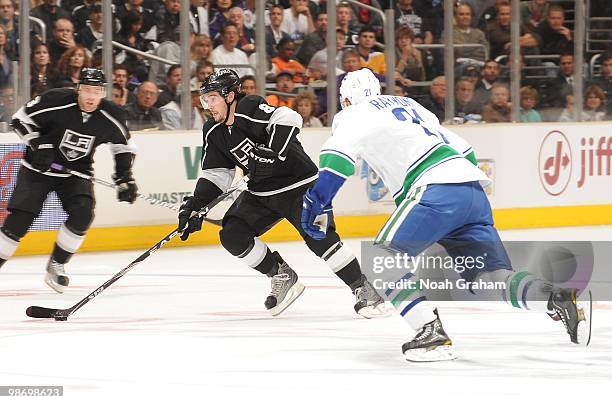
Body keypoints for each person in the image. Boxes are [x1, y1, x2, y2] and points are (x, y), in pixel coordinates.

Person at [301, 68, 591, 361]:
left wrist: (316, 201)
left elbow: (336, 160)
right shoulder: (411, 105)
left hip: (434, 189)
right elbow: (466, 151)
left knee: (381, 259)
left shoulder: (353, 114)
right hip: (471, 189)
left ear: (346, 100)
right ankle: (555, 298)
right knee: (488, 278)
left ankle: (430, 333)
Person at [178, 68, 386, 318]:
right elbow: (216, 174)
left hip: (299, 185)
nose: (207, 105)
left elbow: (289, 117)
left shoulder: (250, 107)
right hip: (261, 193)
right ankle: (281, 275)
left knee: (319, 238)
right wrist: (196, 206)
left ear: (230, 96)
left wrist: (272, 153)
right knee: (233, 234)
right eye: (205, 99)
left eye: (212, 98)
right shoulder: (213, 130)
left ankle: (364, 289)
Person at [0, 68, 138, 292]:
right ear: (78, 89)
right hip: (38, 169)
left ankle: (57, 265)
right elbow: (20, 119)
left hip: (75, 173)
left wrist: (124, 177)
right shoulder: (55, 100)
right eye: (87, 90)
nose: (91, 96)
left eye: (97, 91)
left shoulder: (112, 115)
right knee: (19, 223)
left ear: (103, 92)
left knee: (83, 213)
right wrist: (38, 142)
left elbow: (123, 146)